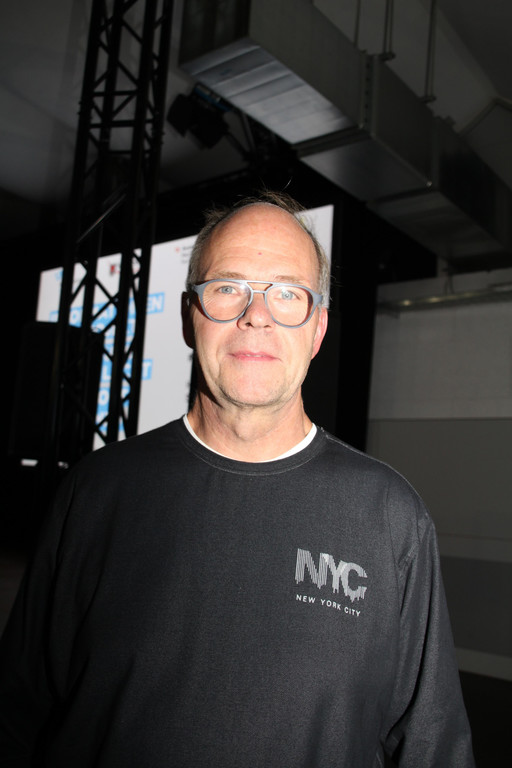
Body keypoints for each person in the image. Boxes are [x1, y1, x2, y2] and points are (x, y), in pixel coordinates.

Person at [0, 192, 475, 766]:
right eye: (228, 287)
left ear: (318, 329)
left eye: (288, 294)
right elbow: (18, 717)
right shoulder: (95, 491)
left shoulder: (390, 516)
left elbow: (431, 747)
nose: (257, 315)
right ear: (188, 316)